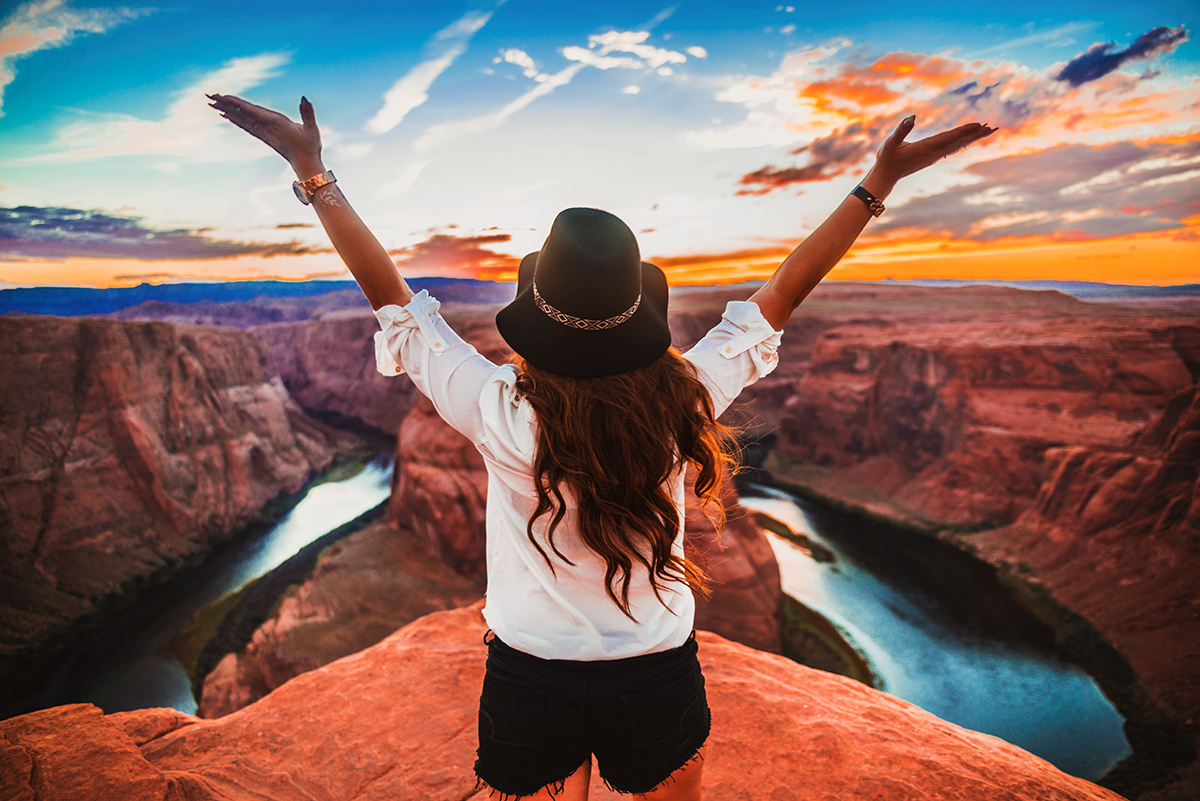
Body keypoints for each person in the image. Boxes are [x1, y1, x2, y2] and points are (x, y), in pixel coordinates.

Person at [210, 91, 994, 801]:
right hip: (656, 669)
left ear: (537, 314)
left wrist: (315, 172)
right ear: (637, 311)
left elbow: (393, 300)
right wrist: (877, 184)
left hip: (529, 677)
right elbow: (784, 293)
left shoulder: (495, 406)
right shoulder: (682, 394)